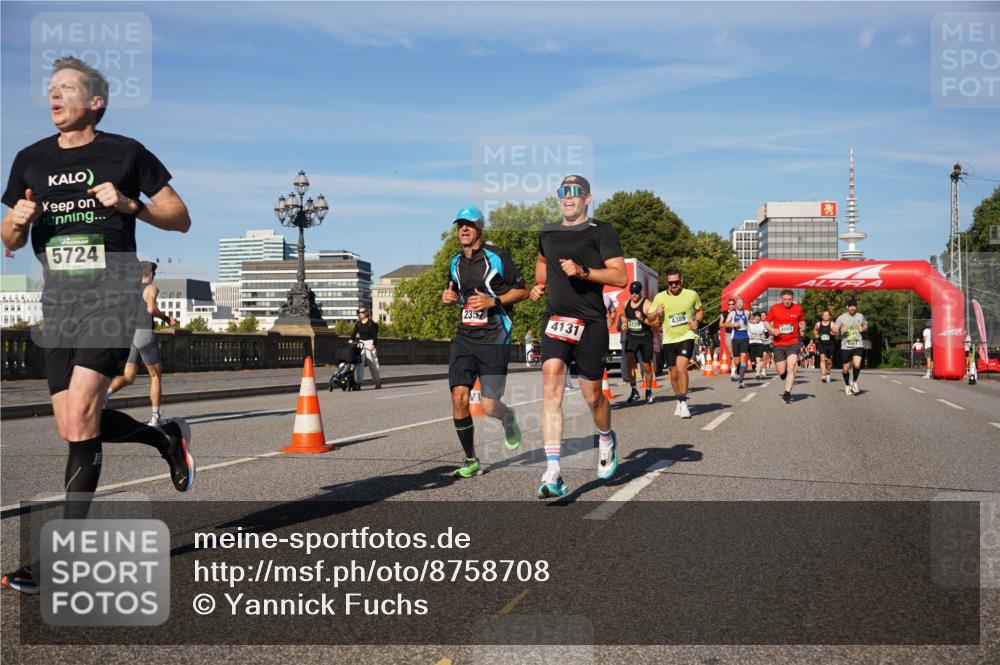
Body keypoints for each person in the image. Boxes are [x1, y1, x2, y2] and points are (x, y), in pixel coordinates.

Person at [1, 58, 194, 594]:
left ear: (96, 101)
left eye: (66, 89)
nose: (54, 97)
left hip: (111, 297)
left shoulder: (126, 152)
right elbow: (9, 241)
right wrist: (15, 223)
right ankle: (163, 439)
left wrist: (132, 204)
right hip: (58, 305)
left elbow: (180, 218)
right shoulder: (29, 159)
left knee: (85, 412)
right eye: (50, 90)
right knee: (73, 426)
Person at [530, 175, 626, 498]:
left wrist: (584, 272)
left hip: (591, 323)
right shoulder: (548, 231)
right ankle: (553, 471)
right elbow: (542, 260)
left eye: (575, 193)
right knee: (551, 380)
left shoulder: (602, 231)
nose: (568, 197)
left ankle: (605, 437)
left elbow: (621, 276)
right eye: (563, 192)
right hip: (556, 319)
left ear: (587, 198)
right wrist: (540, 284)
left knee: (592, 397)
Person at [442, 206, 529, 478]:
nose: (463, 230)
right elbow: (454, 292)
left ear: (480, 228)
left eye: (468, 225)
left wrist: (495, 301)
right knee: (459, 398)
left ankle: (507, 417)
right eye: (460, 225)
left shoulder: (497, 256)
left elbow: (524, 290)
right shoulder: (455, 262)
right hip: (465, 338)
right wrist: (449, 297)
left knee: (489, 406)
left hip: (494, 338)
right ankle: (470, 460)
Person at [106, 261, 176, 425]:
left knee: (128, 377)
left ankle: (103, 397)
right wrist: (166, 318)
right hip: (144, 334)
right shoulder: (151, 288)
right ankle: (156, 418)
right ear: (151, 274)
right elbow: (151, 309)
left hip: (130, 335)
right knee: (155, 377)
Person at [650, 268, 702, 418]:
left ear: (681, 281)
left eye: (676, 282)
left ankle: (684, 402)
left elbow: (699, 310)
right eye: (670, 283)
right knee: (673, 375)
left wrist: (696, 321)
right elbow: (650, 316)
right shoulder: (659, 297)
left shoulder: (691, 294)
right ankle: (678, 399)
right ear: (667, 283)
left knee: (682, 369)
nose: (673, 286)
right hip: (668, 340)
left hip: (686, 336)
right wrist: (656, 312)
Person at [764, 290, 806, 404]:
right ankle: (785, 375)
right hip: (778, 343)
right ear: (781, 299)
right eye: (785, 299)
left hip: (793, 342)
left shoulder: (798, 308)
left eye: (789, 299)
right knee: (781, 371)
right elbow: (766, 322)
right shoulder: (775, 308)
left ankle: (787, 393)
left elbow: (802, 321)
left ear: (793, 299)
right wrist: (772, 330)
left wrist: (802, 328)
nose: (787, 301)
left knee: (791, 366)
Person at [622, 281, 657, 403]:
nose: (634, 295)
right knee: (629, 361)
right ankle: (634, 390)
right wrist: (624, 323)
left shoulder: (647, 304)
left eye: (636, 293)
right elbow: (623, 316)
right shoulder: (626, 303)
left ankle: (648, 390)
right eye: (632, 292)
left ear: (640, 292)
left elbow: (656, 323)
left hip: (645, 337)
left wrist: (642, 319)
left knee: (647, 366)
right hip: (632, 337)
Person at [833, 299, 868, 395]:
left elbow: (865, 325)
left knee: (857, 364)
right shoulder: (841, 318)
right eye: (850, 306)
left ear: (856, 307)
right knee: (845, 369)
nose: (852, 308)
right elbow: (834, 330)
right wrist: (840, 330)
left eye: (854, 306)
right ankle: (847, 385)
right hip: (845, 346)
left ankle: (854, 382)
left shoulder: (860, 316)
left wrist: (862, 328)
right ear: (847, 307)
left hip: (858, 344)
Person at [350, 305, 381, 389]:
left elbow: (375, 335)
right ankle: (359, 383)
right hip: (361, 343)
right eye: (359, 312)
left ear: (366, 313)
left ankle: (377, 382)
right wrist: (351, 339)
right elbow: (353, 333)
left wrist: (373, 345)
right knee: (359, 363)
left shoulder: (371, 323)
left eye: (362, 312)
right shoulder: (358, 323)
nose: (361, 314)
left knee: (372, 363)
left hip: (370, 343)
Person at [724, 297, 751, 388]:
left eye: (741, 303)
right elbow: (726, 323)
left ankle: (741, 381)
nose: (740, 304)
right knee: (736, 361)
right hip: (735, 338)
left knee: (743, 358)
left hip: (745, 338)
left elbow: (749, 322)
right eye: (738, 303)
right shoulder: (732, 313)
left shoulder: (747, 313)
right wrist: (733, 324)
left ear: (743, 304)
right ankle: (738, 369)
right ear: (736, 305)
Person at [814, 310, 836, 383]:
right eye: (824, 315)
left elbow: (836, 332)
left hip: (830, 344)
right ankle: (823, 374)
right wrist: (816, 335)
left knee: (829, 361)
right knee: (822, 358)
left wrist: (833, 333)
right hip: (821, 344)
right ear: (822, 316)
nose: (826, 316)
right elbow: (815, 330)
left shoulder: (832, 324)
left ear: (829, 316)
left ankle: (828, 372)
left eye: (827, 315)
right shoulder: (818, 324)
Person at [747, 311, 767, 379]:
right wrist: (750, 336)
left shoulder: (763, 324)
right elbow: (747, 332)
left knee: (758, 359)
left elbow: (766, 333)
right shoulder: (750, 324)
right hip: (752, 343)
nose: (757, 319)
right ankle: (753, 364)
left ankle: (757, 374)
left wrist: (764, 336)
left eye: (758, 317)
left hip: (760, 343)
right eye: (756, 317)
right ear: (754, 318)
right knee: (753, 361)